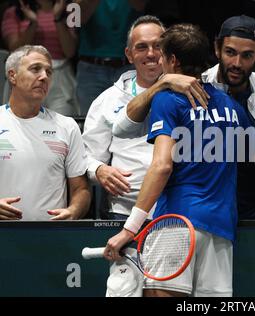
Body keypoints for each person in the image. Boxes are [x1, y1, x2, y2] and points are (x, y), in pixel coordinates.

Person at [104, 23, 255, 297]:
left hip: (176, 223)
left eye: (161, 55)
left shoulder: (169, 100)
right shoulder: (232, 106)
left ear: (172, 60)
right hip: (221, 232)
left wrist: (130, 229)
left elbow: (161, 166)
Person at [114, 15, 255, 220]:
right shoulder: (189, 84)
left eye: (246, 55)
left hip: (248, 214)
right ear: (217, 50)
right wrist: (162, 83)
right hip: (199, 214)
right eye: (230, 52)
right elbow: (121, 128)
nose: (236, 63)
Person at [82, 15, 209, 220]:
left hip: (178, 209)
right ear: (129, 54)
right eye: (141, 47)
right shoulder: (107, 100)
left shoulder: (194, 91)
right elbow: (86, 156)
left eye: (158, 46)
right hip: (123, 210)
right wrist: (99, 170)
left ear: (169, 51)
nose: (151, 54)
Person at [0, 45, 90, 220]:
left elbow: (81, 189)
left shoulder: (67, 126)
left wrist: (73, 211)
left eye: (49, 72)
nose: (44, 77)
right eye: (35, 69)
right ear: (12, 76)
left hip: (52, 236)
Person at [2, 0, 79, 116]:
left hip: (60, 75)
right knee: (22, 123)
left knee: (60, 124)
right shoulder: (14, 11)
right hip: (25, 72)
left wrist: (57, 18)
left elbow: (70, 51)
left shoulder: (72, 9)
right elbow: (14, 50)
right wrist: (33, 23)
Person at [74, 0, 144, 116]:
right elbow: (75, 22)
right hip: (91, 67)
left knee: (132, 122)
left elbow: (141, 5)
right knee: (90, 123)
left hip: (129, 65)